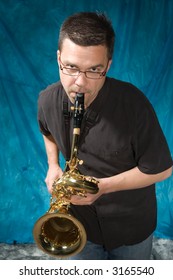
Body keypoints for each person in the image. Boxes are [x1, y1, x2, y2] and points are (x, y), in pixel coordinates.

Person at [37, 12, 173, 260]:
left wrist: (103, 187)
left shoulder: (134, 104)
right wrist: (53, 165)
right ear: (58, 58)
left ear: (108, 65)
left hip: (130, 226)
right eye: (71, 67)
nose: (79, 83)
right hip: (79, 225)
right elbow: (47, 130)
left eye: (94, 70)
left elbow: (162, 169)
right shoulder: (47, 99)